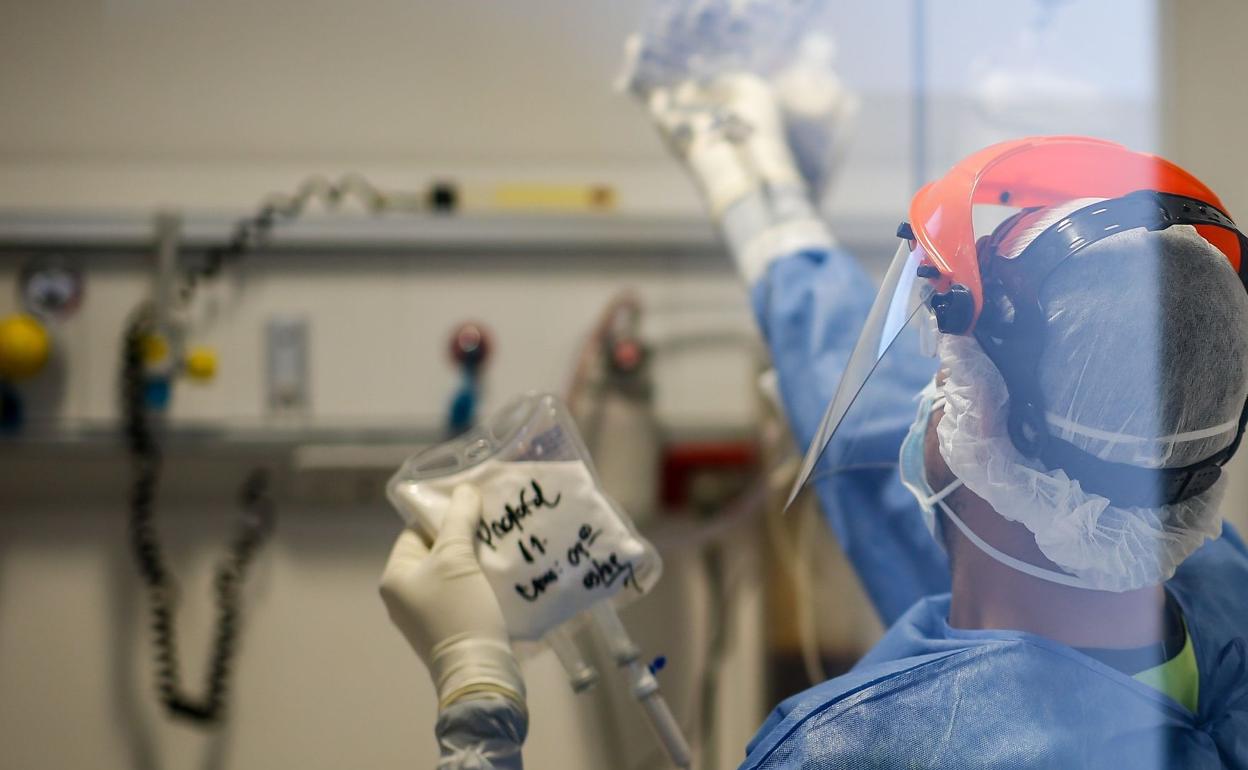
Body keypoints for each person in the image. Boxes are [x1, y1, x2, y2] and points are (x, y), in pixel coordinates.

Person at [380, 73, 1248, 768]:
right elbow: (899, 451)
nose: (920, 397)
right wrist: (763, 196)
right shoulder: (1207, 584)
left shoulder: (861, 748)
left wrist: (477, 699)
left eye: (944, 377)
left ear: (964, 446)